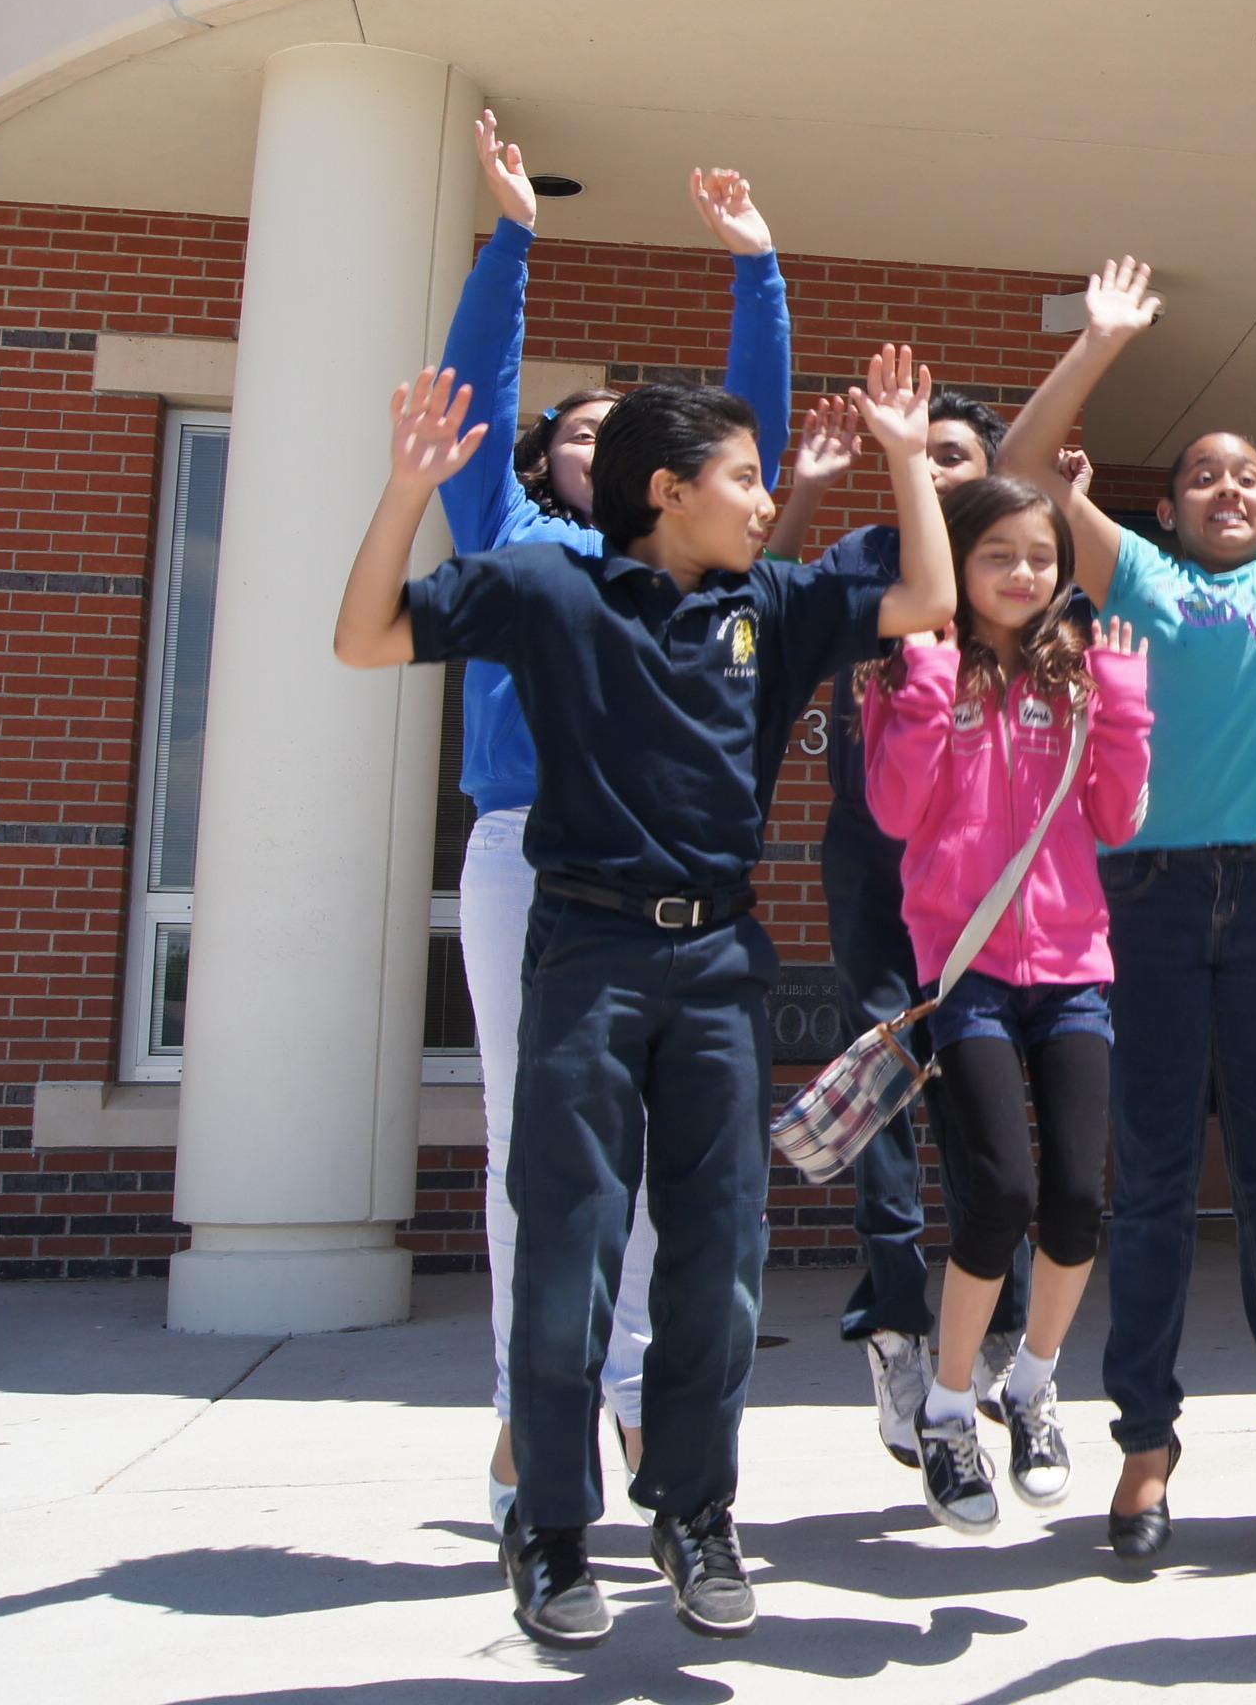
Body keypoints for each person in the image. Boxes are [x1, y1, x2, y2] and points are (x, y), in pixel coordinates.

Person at [333, 346, 956, 1648]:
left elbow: (924, 597)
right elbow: (365, 634)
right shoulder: (550, 590)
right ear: (669, 490)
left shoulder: (770, 607)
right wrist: (407, 489)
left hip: (720, 961)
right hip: (587, 955)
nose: (760, 492)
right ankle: (553, 1528)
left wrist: (908, 453)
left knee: (719, 1257)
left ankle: (692, 1513)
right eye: (741, 474)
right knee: (569, 1244)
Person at [995, 245, 1256, 1560]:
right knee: (1153, 1185)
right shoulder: (1141, 581)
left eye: (1253, 478)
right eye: (1206, 475)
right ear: (1168, 510)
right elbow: (1016, 466)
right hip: (1153, 903)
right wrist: (1100, 340)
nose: (1232, 487)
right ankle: (1147, 1446)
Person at [433, 114, 801, 1533]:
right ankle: (531, 1414)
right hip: (530, 854)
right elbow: (477, 389)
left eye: (617, 429)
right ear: (545, 459)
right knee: (535, 1144)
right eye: (570, 428)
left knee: (665, 1160)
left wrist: (756, 273)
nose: (595, 438)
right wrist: (515, 235)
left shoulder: (694, 568)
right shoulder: (516, 552)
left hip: (670, 881)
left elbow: (744, 434)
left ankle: (641, 1397)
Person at [862, 478, 1157, 1530]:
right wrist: (932, 677)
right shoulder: (914, 666)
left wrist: (1122, 695)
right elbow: (896, 810)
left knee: (1077, 1195)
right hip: (968, 966)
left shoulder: (1075, 677)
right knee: (996, 1192)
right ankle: (947, 1411)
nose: (1023, 574)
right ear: (958, 560)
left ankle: (1031, 1385)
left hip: (1074, 966)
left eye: (1039, 556)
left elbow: (1117, 819)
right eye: (999, 555)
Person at [804, 391, 1038, 1475]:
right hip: (872, 858)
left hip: (979, 878)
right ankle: (897, 1327)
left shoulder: (1017, 571)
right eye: (927, 453)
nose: (941, 471)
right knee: (885, 1075)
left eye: (960, 456)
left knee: (984, 1091)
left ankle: (995, 1327)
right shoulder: (866, 558)